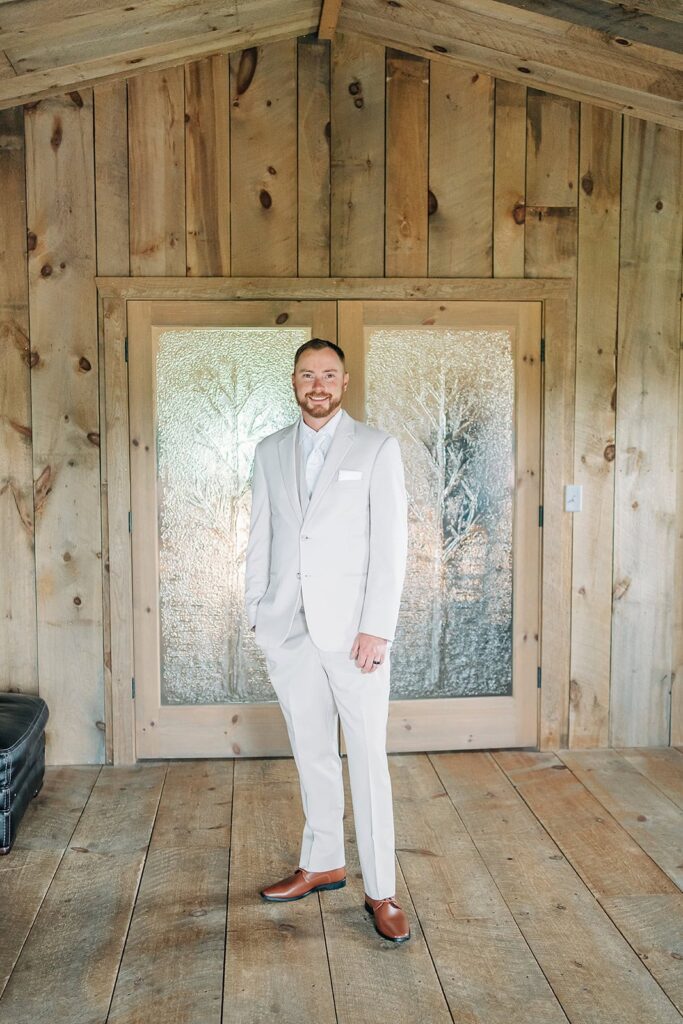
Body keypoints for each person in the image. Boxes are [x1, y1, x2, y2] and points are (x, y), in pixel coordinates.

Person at [244, 337, 410, 943]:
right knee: (311, 750)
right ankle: (321, 863)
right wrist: (258, 615)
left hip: (355, 635)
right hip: (289, 630)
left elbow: (391, 548)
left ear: (344, 382)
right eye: (307, 374)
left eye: (329, 374)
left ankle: (382, 891)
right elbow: (261, 535)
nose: (318, 384)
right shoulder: (268, 451)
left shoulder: (376, 449)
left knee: (366, 760)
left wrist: (377, 627)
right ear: (293, 381)